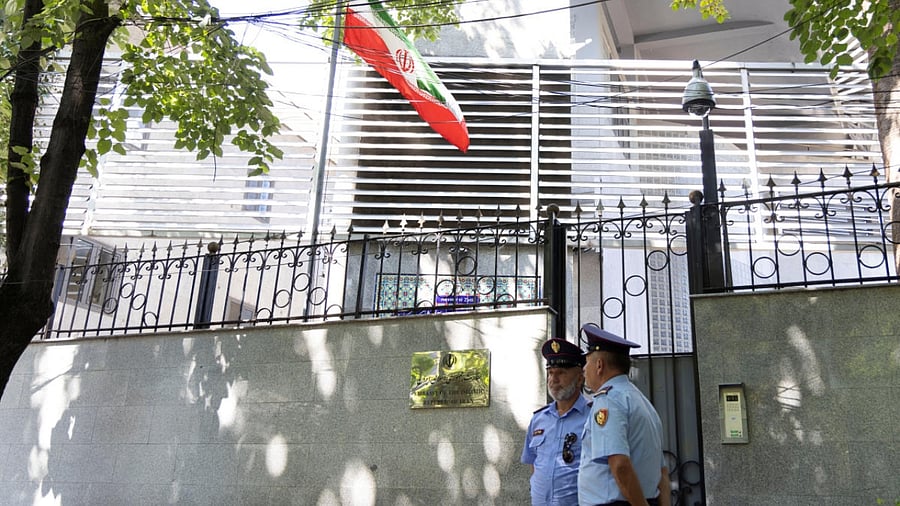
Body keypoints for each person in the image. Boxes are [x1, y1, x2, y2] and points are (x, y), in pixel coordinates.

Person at [577, 323, 670, 506]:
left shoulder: (608, 400)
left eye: (586, 362)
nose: (583, 369)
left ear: (599, 365)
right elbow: (663, 473)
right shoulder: (641, 401)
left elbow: (619, 465)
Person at [521, 338, 591, 505]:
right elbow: (534, 463)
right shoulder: (539, 419)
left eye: (561, 373)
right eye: (551, 372)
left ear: (580, 378)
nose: (553, 379)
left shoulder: (593, 416)